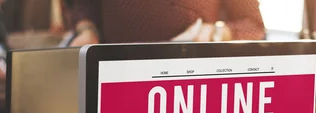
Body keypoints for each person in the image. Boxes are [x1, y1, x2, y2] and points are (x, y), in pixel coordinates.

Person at [66, 0, 265, 45]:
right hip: (112, 80)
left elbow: (254, 26)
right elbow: (86, 5)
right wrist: (87, 28)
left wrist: (217, 33)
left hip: (182, 90)